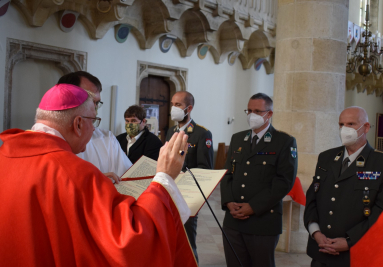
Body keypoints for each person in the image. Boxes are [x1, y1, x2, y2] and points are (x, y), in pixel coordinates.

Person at [0, 83, 197, 266]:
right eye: (93, 120)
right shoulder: (75, 172)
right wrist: (164, 178)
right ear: (77, 124)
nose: (94, 128)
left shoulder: (6, 156)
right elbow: (131, 241)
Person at [304, 106, 383, 267]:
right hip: (320, 251)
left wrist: (349, 241)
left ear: (366, 127)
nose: (344, 129)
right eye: (341, 124)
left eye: (351, 124)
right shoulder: (326, 158)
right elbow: (312, 198)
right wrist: (316, 232)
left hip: (357, 253)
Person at [220, 93, 297, 267]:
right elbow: (227, 173)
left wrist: (253, 207)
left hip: (263, 221)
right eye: (249, 110)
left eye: (257, 111)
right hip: (233, 220)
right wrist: (228, 201)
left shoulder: (284, 141)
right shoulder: (238, 138)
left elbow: (284, 181)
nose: (251, 115)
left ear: (269, 114)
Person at [165, 91, 214, 263]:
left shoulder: (201, 134)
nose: (173, 108)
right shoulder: (170, 130)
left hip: (187, 196)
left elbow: (205, 169)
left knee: (187, 242)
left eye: (178, 105)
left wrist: (182, 175)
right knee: (170, 240)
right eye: (172, 104)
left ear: (189, 108)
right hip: (168, 194)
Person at [57, 71, 132, 182]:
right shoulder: (49, 140)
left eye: (97, 103)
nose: (94, 111)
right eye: (91, 102)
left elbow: (128, 179)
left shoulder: (107, 139)